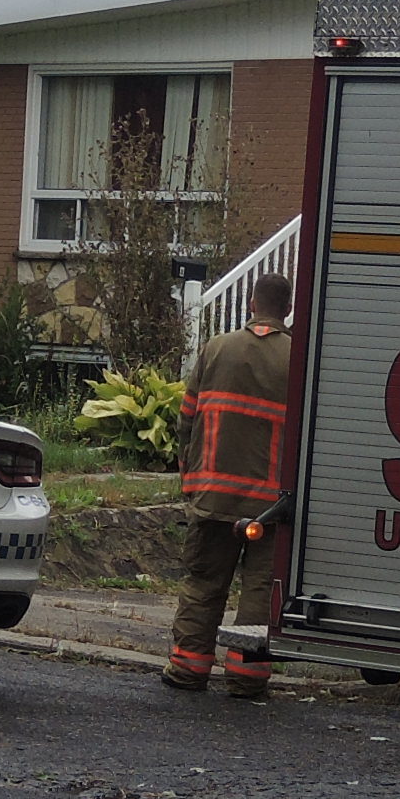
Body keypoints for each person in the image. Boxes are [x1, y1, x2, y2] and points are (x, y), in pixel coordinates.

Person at [165, 271, 296, 699]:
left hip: (214, 496)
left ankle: (189, 668)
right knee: (259, 589)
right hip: (270, 506)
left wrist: (191, 480)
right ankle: (247, 676)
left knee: (204, 582)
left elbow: (186, 419)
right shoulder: (298, 359)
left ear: (251, 304)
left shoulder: (215, 349)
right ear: (288, 309)